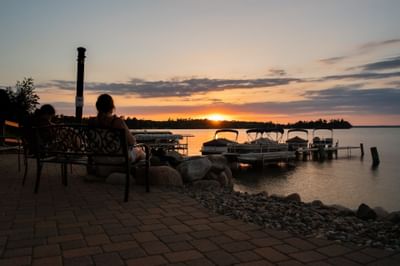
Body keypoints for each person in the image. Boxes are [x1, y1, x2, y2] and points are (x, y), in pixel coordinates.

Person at [93, 94, 145, 162]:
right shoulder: (117, 122)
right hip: (119, 159)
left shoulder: (92, 123)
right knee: (142, 152)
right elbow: (132, 142)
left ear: (98, 107)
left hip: (99, 159)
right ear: (112, 107)